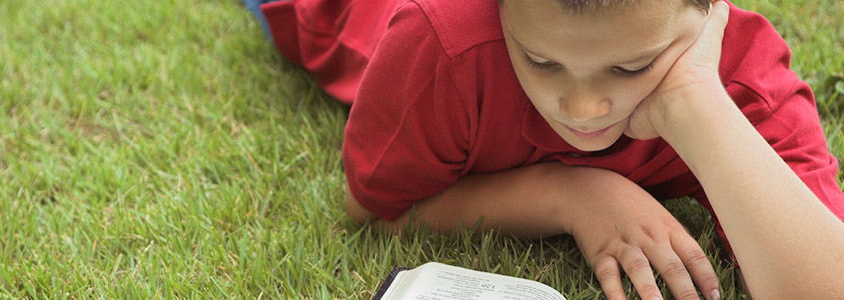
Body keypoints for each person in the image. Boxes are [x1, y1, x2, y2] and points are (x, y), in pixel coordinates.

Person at [247, 0, 844, 298]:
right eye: (540, 60)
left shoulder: (743, 78)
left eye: (632, 65)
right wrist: (569, 194)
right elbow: (373, 209)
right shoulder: (444, 45)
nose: (581, 109)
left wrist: (696, 102)